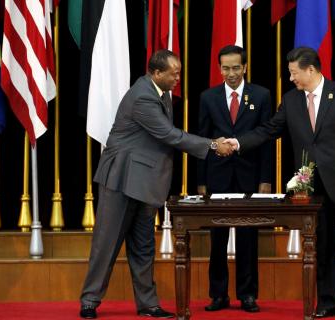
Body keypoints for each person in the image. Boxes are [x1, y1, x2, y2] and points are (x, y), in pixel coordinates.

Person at [225, 47, 335, 319]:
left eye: (294, 73)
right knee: (322, 248)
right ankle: (328, 302)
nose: (292, 78)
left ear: (311, 70)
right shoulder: (292, 101)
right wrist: (238, 142)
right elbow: (268, 130)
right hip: (311, 189)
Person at [79, 49, 233, 319]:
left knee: (144, 246)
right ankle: (90, 301)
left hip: (145, 183)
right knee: (107, 244)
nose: (177, 78)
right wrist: (212, 145)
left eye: (179, 73)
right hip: (121, 180)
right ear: (156, 73)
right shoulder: (142, 97)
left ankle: (147, 303)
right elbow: (168, 134)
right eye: (173, 74)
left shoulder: (160, 94)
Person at [197, 45, 272, 313]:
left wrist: (265, 179)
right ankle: (218, 295)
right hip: (217, 177)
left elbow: (265, 139)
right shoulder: (208, 97)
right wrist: (201, 182)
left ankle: (248, 294)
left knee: (248, 238)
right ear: (220, 69)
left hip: (250, 177)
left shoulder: (261, 96)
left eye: (236, 68)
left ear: (245, 67)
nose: (231, 73)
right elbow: (202, 142)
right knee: (217, 238)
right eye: (226, 68)